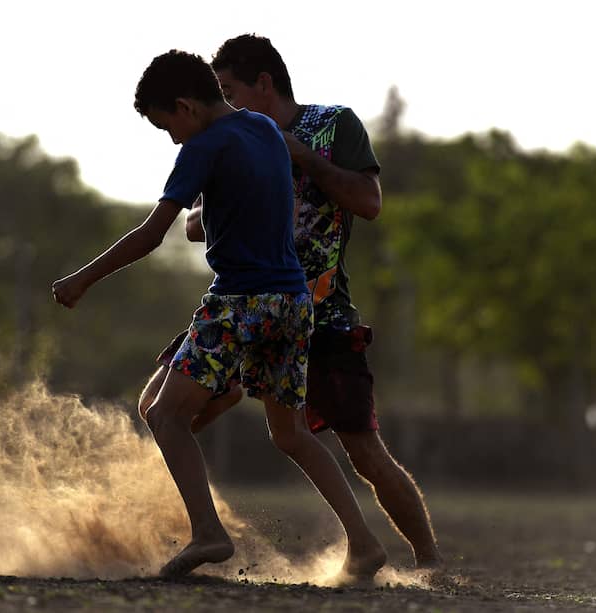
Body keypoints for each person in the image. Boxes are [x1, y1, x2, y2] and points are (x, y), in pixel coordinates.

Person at [53, 49, 384, 579]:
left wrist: (82, 279)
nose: (172, 138)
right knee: (292, 433)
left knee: (163, 414)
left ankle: (209, 533)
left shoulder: (202, 147)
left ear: (185, 106)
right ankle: (365, 543)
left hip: (240, 300)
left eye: (167, 126)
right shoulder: (265, 130)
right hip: (293, 301)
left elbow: (152, 235)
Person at [138, 35, 443, 570]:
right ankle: (192, 517)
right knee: (161, 408)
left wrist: (301, 157)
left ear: (264, 83)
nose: (225, 100)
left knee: (364, 452)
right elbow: (194, 224)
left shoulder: (330, 125)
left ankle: (428, 562)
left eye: (231, 89)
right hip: (259, 302)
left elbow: (369, 203)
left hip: (312, 311)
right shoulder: (238, 136)